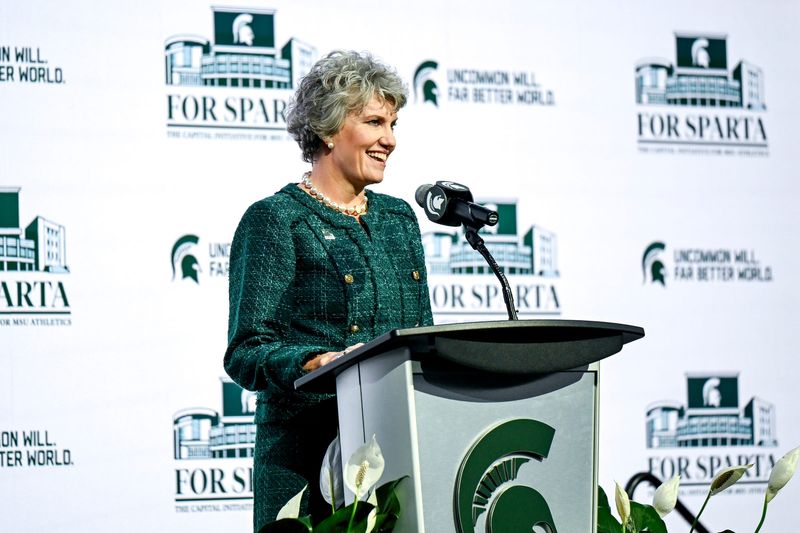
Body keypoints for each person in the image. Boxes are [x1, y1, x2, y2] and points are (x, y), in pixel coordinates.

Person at [224, 50, 433, 531]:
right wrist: (315, 361)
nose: (390, 139)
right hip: (304, 459)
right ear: (327, 128)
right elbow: (246, 350)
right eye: (375, 122)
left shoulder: (400, 220)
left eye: (394, 123)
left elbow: (421, 337)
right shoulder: (276, 220)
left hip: (395, 451)